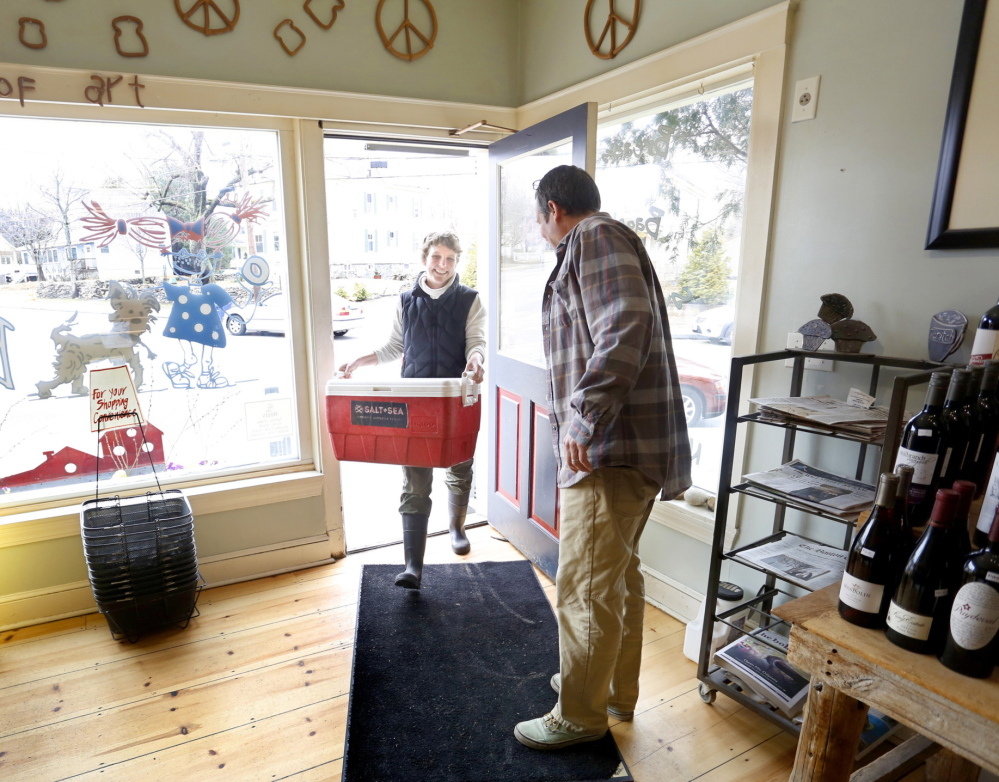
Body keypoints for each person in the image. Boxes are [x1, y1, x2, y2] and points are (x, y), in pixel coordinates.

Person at [514, 166, 691, 750]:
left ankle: (580, 715)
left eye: (538, 217)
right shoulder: (607, 240)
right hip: (627, 447)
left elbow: (624, 325)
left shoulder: (592, 238)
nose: (540, 227)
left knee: (585, 585)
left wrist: (584, 416)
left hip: (609, 448)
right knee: (616, 577)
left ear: (554, 209)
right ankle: (611, 691)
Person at [338, 232, 485, 590]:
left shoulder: (470, 299)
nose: (443, 265)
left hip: (455, 398)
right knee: (415, 478)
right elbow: (394, 347)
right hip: (416, 399)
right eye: (437, 257)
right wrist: (361, 359)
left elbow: (476, 343)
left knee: (459, 466)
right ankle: (412, 565)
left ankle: (456, 528)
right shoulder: (406, 300)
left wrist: (476, 362)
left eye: (450, 259)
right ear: (425, 258)